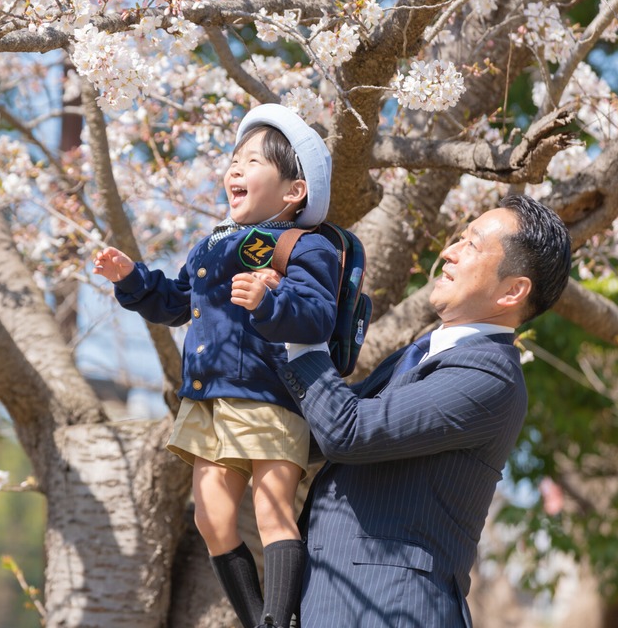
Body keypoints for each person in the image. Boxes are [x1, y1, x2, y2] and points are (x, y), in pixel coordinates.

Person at [93, 104, 339, 628]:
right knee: (211, 517)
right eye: (234, 159)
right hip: (206, 397)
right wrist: (132, 279)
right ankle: (259, 620)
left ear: (294, 192)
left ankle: (278, 617)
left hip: (269, 395)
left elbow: (317, 314)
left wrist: (269, 303)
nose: (235, 168)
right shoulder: (213, 242)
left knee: (272, 509)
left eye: (252, 161)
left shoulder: (302, 244)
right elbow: (177, 301)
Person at [276, 193, 572, 628]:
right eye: (458, 238)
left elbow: (349, 432)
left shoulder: (490, 375)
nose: (448, 253)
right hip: (341, 603)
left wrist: (300, 328)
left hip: (393, 611)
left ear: (513, 291)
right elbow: (320, 432)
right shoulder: (419, 355)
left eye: (471, 245)